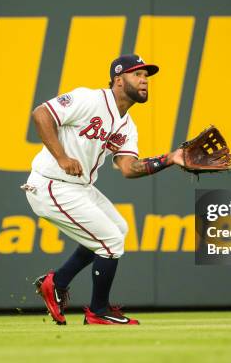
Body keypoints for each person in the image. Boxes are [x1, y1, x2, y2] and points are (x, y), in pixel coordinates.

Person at [22, 54, 187, 325]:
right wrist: (62, 157)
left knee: (117, 230)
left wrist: (169, 159)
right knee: (109, 240)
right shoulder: (90, 99)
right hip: (51, 184)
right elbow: (41, 114)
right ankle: (98, 311)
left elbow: (128, 168)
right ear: (118, 80)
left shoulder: (126, 124)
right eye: (138, 74)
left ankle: (56, 283)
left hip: (78, 188)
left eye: (146, 76)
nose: (144, 80)